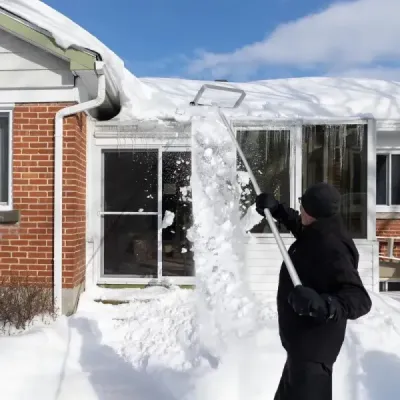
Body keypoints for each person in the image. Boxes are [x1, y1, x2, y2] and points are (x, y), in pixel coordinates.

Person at [255, 182, 372, 400]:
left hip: (314, 354)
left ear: (312, 213)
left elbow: (360, 299)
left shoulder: (333, 246)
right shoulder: (321, 229)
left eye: (302, 208)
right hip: (302, 349)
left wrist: (323, 305)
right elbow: (302, 229)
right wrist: (278, 210)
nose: (300, 211)